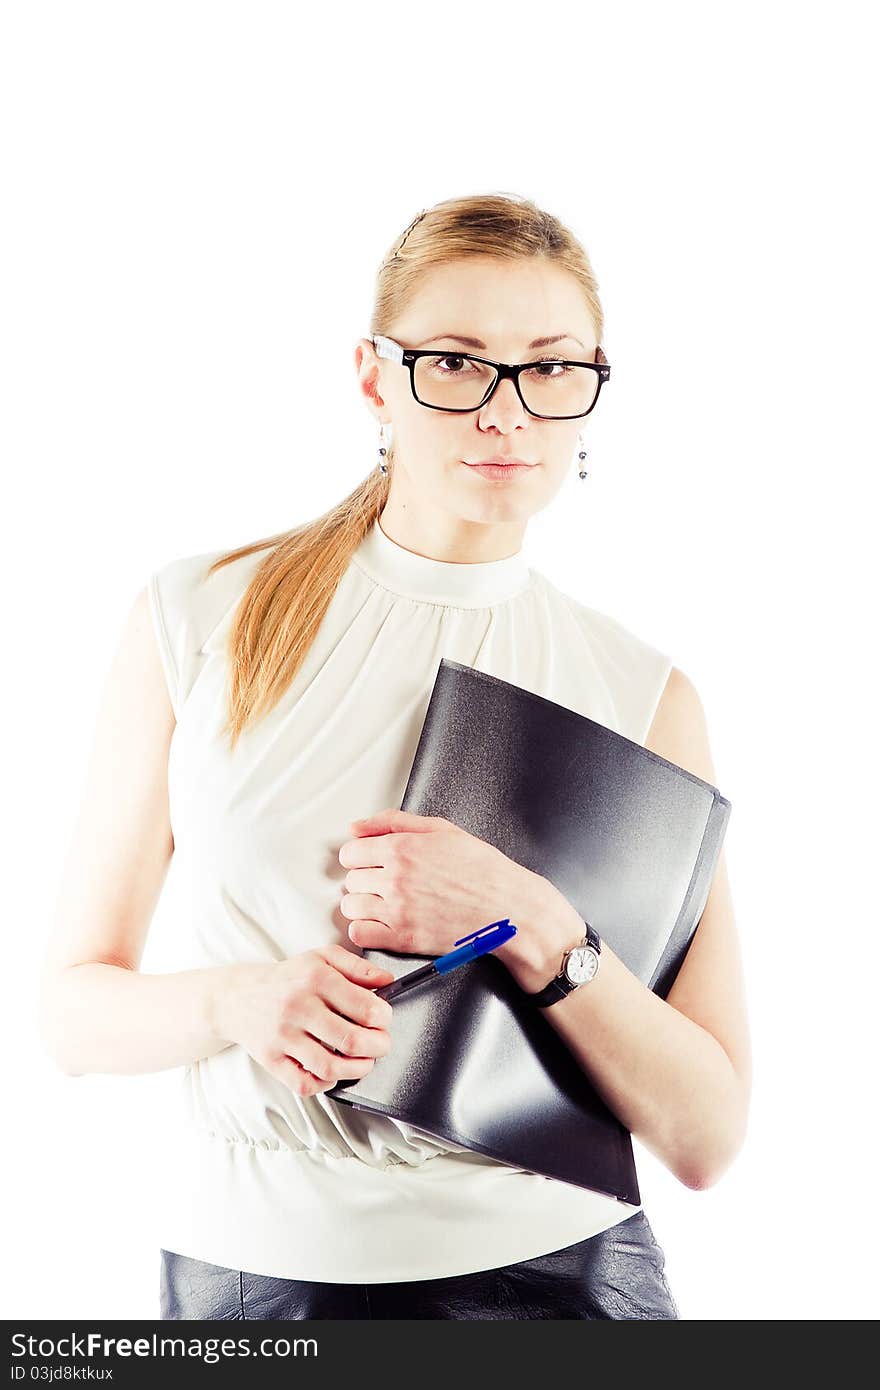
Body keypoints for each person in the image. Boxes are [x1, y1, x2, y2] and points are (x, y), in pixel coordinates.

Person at [38, 192, 751, 1320]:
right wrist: (240, 1002)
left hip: (563, 1273)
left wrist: (527, 917)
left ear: (591, 392)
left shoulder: (643, 692)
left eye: (552, 368)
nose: (506, 413)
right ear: (375, 378)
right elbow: (71, 1014)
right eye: (456, 363)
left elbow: (706, 1130)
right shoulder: (202, 616)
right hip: (252, 1282)